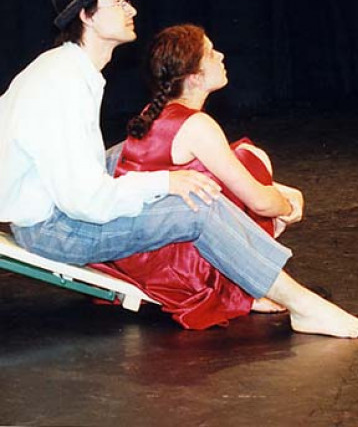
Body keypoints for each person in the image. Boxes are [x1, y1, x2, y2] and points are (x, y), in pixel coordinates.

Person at [0, 0, 358, 336]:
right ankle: (303, 306)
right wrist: (164, 182)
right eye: (117, 1)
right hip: (55, 229)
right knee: (196, 209)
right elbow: (86, 202)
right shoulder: (63, 85)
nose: (131, 9)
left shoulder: (64, 69)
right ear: (86, 15)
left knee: (149, 156)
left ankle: (244, 277)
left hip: (54, 203)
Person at [90, 24, 305, 329]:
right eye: (211, 53)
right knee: (252, 160)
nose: (221, 56)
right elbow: (260, 202)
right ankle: (237, 289)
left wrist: (279, 192)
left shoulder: (154, 110)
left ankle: (238, 285)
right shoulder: (196, 126)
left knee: (241, 160)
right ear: (195, 77)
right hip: (166, 260)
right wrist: (289, 206)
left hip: (138, 249)